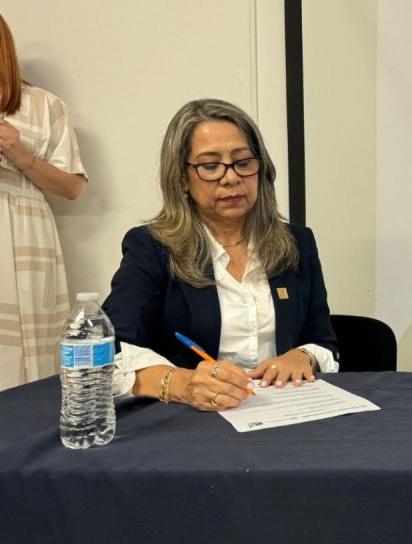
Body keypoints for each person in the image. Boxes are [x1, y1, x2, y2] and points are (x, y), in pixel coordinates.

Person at [102, 99, 338, 411]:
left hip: (283, 410)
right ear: (182, 179)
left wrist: (303, 356)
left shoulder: (296, 242)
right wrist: (183, 384)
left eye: (243, 162)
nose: (231, 178)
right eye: (210, 166)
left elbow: (324, 342)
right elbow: (110, 350)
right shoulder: (152, 247)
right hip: (192, 418)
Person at [0, 0, 87, 397]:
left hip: (21, 238)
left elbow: (72, 187)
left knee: (23, 363)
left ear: (1, 38)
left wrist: (21, 155)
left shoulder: (42, 104)